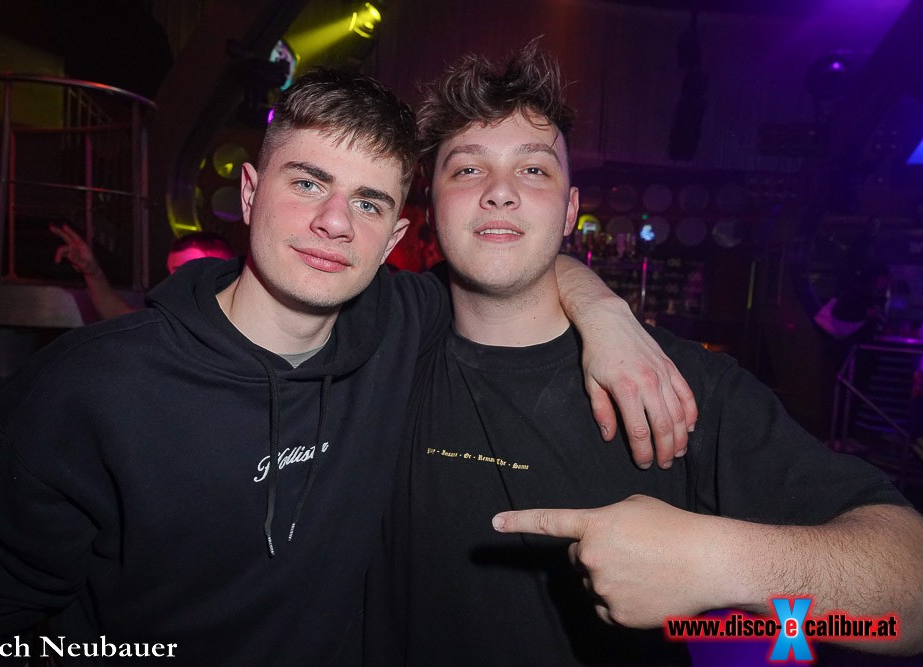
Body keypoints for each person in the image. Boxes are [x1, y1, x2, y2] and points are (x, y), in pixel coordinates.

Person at [0, 68, 696, 663]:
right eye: (307, 183)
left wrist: (607, 315)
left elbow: (513, 262)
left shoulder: (402, 325)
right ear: (249, 192)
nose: (333, 222)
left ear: (393, 239)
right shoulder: (90, 390)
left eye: (368, 202)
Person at [366, 44, 923, 665]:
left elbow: (913, 590)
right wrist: (599, 303)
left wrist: (715, 560)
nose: (499, 192)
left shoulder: (678, 384)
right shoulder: (382, 340)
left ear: (571, 210)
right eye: (468, 169)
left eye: (534, 170)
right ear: (431, 207)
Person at [50, 224, 236, 319]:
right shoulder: (178, 320)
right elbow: (119, 315)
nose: (176, 281)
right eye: (173, 272)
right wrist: (93, 272)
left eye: (186, 271)